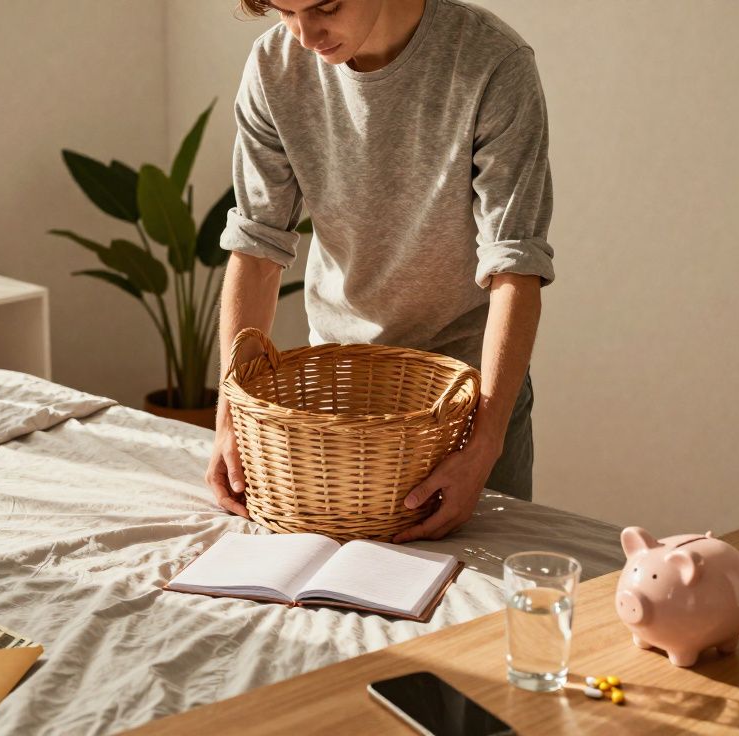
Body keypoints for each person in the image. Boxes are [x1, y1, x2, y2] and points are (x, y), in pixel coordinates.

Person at [206, 0, 554, 543]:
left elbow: (516, 263)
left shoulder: (490, 61)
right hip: (335, 395)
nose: (305, 36)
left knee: (486, 588)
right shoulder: (275, 66)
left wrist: (485, 443)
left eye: (325, 7)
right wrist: (230, 421)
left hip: (470, 397)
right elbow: (256, 250)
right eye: (284, 12)